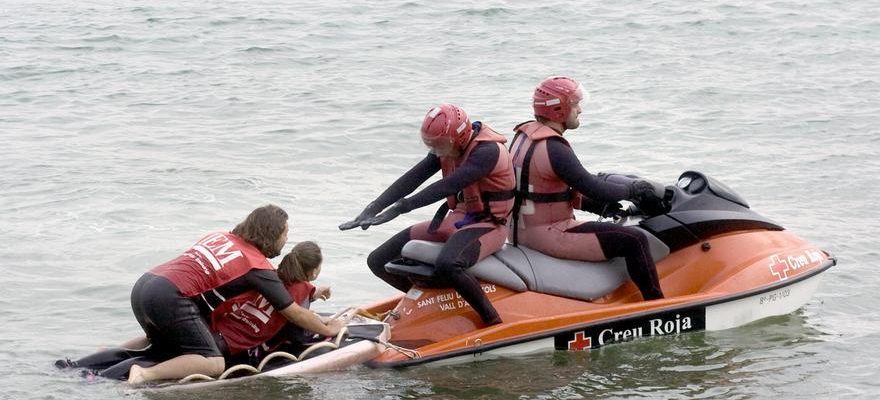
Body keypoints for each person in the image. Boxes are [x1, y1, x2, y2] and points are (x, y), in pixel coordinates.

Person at [339, 104, 515, 326]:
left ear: (458, 138)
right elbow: (413, 177)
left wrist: (399, 208)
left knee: (449, 264)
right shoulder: (447, 145)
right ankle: (434, 304)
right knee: (378, 261)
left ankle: (493, 320)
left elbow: (448, 185)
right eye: (433, 147)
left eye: (440, 146)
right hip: (457, 220)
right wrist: (373, 208)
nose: (437, 152)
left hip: (488, 225)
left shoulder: (486, 152)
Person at [126, 205, 344, 384]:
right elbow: (294, 312)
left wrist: (312, 294)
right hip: (171, 297)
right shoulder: (257, 265)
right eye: (285, 233)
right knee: (214, 362)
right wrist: (327, 328)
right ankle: (145, 374)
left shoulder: (221, 236)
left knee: (158, 340)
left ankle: (112, 353)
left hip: (146, 284)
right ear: (272, 234)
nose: (287, 239)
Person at [58, 241, 334, 380]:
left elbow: (290, 294)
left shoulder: (267, 278)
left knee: (154, 350)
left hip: (206, 328)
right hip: (222, 347)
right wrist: (333, 326)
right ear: (312, 271)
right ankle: (98, 379)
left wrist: (315, 291)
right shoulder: (300, 295)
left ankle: (82, 369)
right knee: (155, 361)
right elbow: (299, 330)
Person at [508, 76, 666, 301]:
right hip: (548, 234)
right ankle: (657, 305)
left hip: (521, 232)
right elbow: (593, 187)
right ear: (559, 110)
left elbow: (545, 191)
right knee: (634, 240)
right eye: (575, 104)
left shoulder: (522, 137)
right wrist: (635, 190)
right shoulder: (554, 148)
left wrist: (602, 208)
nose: (580, 110)